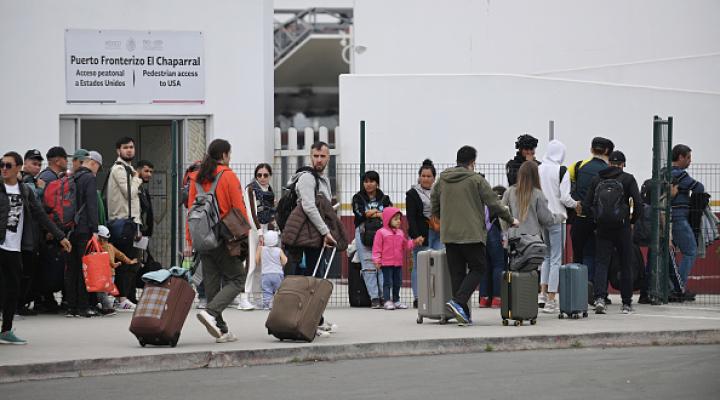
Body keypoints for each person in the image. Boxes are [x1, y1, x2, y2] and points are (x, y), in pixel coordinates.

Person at [432, 145, 518, 326]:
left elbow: (434, 200)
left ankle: (462, 314)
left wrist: (441, 216)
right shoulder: (476, 180)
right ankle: (458, 302)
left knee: (457, 273)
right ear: (472, 162)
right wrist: (510, 219)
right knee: (479, 267)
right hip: (471, 233)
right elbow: (493, 202)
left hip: (449, 233)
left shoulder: (442, 179)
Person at [0, 151, 71, 344]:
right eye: (1, 165)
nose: (3, 169)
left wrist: (60, 236)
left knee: (13, 289)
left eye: (8, 165)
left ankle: (5, 331)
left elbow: (40, 215)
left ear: (18, 167)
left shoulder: (25, 191)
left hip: (15, 247)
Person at [186, 139, 250, 344]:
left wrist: (191, 240)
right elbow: (238, 208)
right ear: (223, 155)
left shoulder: (196, 178)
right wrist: (244, 235)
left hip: (202, 237)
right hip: (224, 236)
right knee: (238, 278)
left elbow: (191, 210)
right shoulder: (227, 176)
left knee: (212, 283)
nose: (230, 159)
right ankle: (212, 312)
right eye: (229, 155)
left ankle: (221, 330)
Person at [582, 151, 642, 314]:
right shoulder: (628, 179)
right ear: (623, 164)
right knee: (625, 263)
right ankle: (626, 303)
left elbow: (587, 205)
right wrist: (631, 222)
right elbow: (638, 203)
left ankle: (600, 298)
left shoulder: (597, 179)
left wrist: (596, 220)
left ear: (609, 163)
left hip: (602, 229)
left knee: (602, 263)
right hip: (622, 228)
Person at [503, 161, 562, 311]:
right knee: (530, 272)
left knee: (515, 271)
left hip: (514, 240)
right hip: (532, 242)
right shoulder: (537, 194)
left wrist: (506, 233)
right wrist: (560, 217)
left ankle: (514, 305)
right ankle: (527, 305)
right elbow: (546, 219)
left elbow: (502, 215)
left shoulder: (509, 192)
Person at [569, 136, 614, 302]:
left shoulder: (579, 166)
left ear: (591, 149)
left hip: (579, 218)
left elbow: (571, 191)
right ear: (608, 152)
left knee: (579, 256)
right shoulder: (608, 171)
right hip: (598, 221)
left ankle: (578, 292)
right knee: (595, 256)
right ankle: (595, 294)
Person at [537, 140, 578, 313]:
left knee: (545, 257)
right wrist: (576, 204)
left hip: (541, 217)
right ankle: (552, 299)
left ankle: (542, 294)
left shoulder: (538, 169)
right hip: (557, 217)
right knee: (555, 258)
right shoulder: (562, 171)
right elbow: (564, 197)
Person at [284, 142, 336, 276]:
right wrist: (325, 232)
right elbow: (309, 206)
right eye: (316, 156)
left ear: (328, 157)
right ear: (310, 157)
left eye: (323, 156)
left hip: (316, 234)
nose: (319, 159)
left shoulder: (323, 179)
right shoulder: (307, 177)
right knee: (308, 278)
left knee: (314, 276)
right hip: (306, 235)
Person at [65, 151, 102, 317]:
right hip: (84, 229)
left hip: (70, 230)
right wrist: (95, 230)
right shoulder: (89, 179)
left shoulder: (72, 177)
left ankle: (71, 306)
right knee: (84, 268)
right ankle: (83, 306)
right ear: (92, 163)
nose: (97, 170)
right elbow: (92, 206)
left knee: (72, 268)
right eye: (97, 167)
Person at [106, 137, 143, 306]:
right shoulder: (119, 169)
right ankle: (121, 297)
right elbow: (129, 192)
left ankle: (125, 296)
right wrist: (137, 178)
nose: (129, 150)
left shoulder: (129, 169)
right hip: (123, 222)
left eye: (131, 147)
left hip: (132, 222)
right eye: (125, 147)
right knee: (125, 261)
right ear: (118, 151)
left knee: (132, 261)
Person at [237, 163, 276, 311]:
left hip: (264, 229)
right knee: (251, 264)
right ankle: (243, 297)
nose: (262, 178)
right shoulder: (251, 189)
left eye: (265, 175)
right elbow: (251, 212)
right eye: (259, 175)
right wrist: (259, 232)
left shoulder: (269, 190)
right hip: (252, 230)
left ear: (270, 176)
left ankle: (257, 296)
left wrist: (274, 226)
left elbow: (270, 211)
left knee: (261, 264)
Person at [406, 159, 443, 309]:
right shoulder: (412, 193)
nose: (426, 179)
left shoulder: (439, 192)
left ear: (434, 178)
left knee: (439, 265)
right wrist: (416, 236)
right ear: (419, 177)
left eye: (429, 176)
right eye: (423, 176)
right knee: (419, 265)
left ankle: (437, 296)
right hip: (421, 233)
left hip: (437, 232)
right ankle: (418, 296)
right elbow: (411, 217)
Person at [352, 170, 392, 309]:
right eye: (366, 181)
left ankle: (384, 297)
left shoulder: (384, 198)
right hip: (363, 233)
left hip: (382, 234)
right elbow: (359, 214)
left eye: (372, 181)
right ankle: (374, 298)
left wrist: (370, 213)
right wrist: (377, 213)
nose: (368, 184)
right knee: (368, 266)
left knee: (382, 265)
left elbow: (389, 215)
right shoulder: (357, 198)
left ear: (377, 183)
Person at [670, 144, 704, 301]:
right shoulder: (679, 174)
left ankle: (671, 287)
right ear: (680, 157)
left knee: (669, 255)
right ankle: (679, 288)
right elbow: (699, 187)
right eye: (688, 157)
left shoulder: (664, 172)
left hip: (668, 218)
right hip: (678, 218)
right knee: (690, 251)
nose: (690, 161)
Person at [372, 207, 423, 310]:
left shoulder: (400, 233)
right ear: (387, 219)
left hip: (398, 263)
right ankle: (387, 301)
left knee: (397, 282)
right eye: (395, 219)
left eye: (399, 219)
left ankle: (396, 300)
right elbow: (376, 248)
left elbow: (405, 245)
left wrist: (414, 242)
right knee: (387, 282)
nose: (398, 221)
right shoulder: (381, 233)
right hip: (386, 263)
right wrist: (377, 260)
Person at [17, 149, 45, 315]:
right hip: (24, 237)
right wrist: (40, 190)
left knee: (29, 273)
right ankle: (18, 305)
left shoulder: (31, 180)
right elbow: (32, 202)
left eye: (39, 164)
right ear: (25, 163)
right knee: (24, 273)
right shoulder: (25, 180)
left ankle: (21, 304)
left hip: (31, 235)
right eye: (34, 163)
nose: (37, 167)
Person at [96, 225, 138, 316]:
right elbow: (120, 255)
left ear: (100, 238)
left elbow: (108, 260)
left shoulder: (100, 247)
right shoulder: (111, 246)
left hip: (105, 274)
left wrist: (114, 264)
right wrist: (130, 261)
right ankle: (108, 304)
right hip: (112, 275)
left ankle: (107, 308)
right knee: (105, 292)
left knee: (102, 292)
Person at [478, 186, 507, 309]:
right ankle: (497, 298)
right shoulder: (498, 204)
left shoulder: (480, 201)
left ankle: (484, 298)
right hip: (494, 231)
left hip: (481, 232)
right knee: (499, 264)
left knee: (485, 265)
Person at [256, 230, 286, 309]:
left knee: (266, 290)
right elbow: (284, 261)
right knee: (279, 290)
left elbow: (257, 261)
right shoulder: (279, 250)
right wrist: (280, 264)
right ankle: (279, 305)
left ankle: (267, 305)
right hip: (277, 274)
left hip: (265, 274)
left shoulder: (261, 249)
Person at [136, 160, 154, 238]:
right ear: (138, 170)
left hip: (141, 229)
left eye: (151, 172)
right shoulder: (133, 187)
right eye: (146, 171)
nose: (149, 174)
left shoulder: (142, 189)